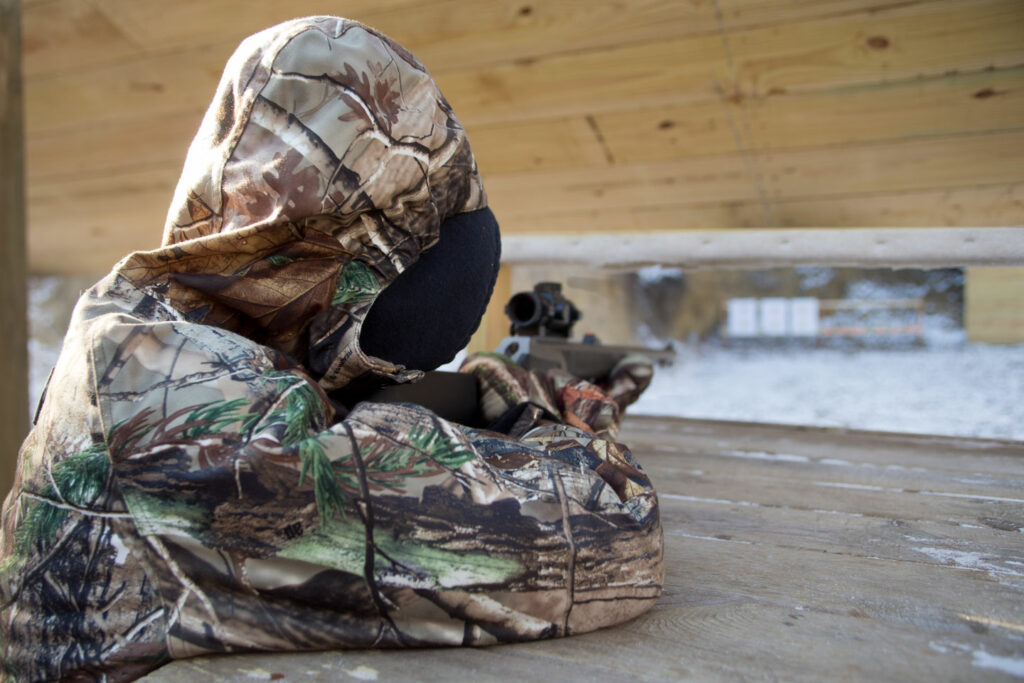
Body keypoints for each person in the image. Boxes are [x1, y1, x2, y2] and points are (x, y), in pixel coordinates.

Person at [0, 17, 663, 681]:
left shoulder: (143, 331)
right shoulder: (180, 409)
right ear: (348, 253)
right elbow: (611, 534)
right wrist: (539, 401)